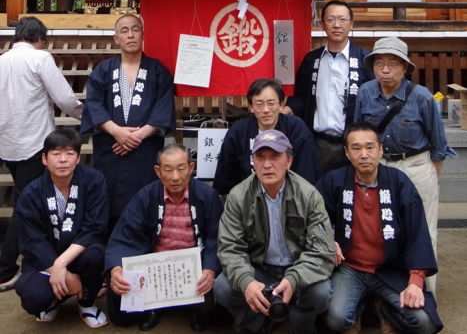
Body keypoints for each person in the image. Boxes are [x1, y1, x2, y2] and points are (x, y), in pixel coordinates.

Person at [318, 122, 443, 334]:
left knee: (424, 322)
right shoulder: (334, 181)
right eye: (356, 148)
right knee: (335, 320)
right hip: (350, 268)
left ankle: (385, 310)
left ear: (380, 150)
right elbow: (314, 219)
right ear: (347, 153)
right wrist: (328, 240)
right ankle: (357, 311)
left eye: (370, 147)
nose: (364, 154)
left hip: (390, 269)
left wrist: (415, 281)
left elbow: (417, 233)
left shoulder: (399, 182)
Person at [214, 130, 334, 334]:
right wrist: (247, 281)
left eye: (275, 157)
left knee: (321, 293)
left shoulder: (309, 195)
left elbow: (322, 251)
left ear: (289, 161)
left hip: (296, 268)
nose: (267, 165)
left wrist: (294, 278)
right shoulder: (238, 196)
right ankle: (255, 321)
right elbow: (230, 248)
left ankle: (300, 323)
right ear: (252, 161)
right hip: (260, 269)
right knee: (223, 288)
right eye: (260, 157)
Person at [354, 37, 451, 290]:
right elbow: (358, 133)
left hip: (417, 166)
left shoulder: (422, 97)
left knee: (424, 232)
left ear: (405, 68)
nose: (385, 70)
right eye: (380, 64)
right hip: (379, 167)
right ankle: (389, 294)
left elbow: (438, 146)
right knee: (383, 230)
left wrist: (429, 177)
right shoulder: (365, 92)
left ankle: (426, 296)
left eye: (392, 64)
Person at [0, 16, 82, 291]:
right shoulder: (40, 59)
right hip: (34, 143)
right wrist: (87, 116)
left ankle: (21, 262)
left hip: (7, 143)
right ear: (40, 38)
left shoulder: (2, 60)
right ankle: (7, 266)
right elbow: (65, 99)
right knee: (26, 204)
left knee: (26, 199)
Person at [106, 144, 223, 331]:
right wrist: (116, 268)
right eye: (168, 170)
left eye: (181, 168)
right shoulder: (146, 196)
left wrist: (209, 269)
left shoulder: (206, 196)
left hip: (194, 267)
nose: (175, 177)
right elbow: (125, 236)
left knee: (209, 313)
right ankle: (157, 306)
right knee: (120, 313)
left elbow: (215, 239)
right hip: (155, 267)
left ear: (191, 168)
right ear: (158, 172)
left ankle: (191, 307)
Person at [80, 12, 175, 224]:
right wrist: (118, 132)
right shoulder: (103, 71)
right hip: (110, 149)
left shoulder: (158, 71)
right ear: (116, 38)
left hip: (145, 150)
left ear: (143, 34)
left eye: (135, 29)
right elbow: (93, 104)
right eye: (124, 31)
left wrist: (136, 137)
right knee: (107, 201)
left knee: (145, 202)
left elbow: (163, 107)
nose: (130, 35)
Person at [15, 129, 109, 328]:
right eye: (56, 154)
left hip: (79, 254)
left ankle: (87, 303)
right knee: (32, 295)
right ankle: (53, 301)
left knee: (95, 256)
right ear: (44, 159)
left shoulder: (94, 180)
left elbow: (94, 227)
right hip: (45, 261)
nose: (63, 160)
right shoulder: (32, 192)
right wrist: (59, 270)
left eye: (69, 154)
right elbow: (32, 240)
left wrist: (62, 265)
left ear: (77, 159)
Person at [289, 0, 370, 173]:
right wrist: (288, 108)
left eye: (342, 19)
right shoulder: (312, 60)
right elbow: (301, 98)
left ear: (351, 24)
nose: (336, 25)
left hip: (353, 144)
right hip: (318, 143)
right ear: (322, 24)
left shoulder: (364, 59)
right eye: (331, 19)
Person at [213, 78, 318, 195]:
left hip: (290, 198)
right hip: (248, 200)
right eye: (259, 104)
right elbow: (226, 178)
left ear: (281, 104)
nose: (266, 110)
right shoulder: (239, 131)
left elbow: (306, 175)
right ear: (251, 107)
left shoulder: (296, 129)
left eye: (271, 103)